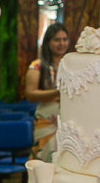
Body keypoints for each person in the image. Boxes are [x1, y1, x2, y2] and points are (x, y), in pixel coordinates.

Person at [25, 22, 70, 161]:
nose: (61, 43)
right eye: (56, 40)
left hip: (68, 119)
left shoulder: (72, 65)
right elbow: (30, 94)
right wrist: (58, 93)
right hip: (46, 119)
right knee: (44, 159)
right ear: (48, 42)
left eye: (64, 39)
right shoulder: (37, 65)